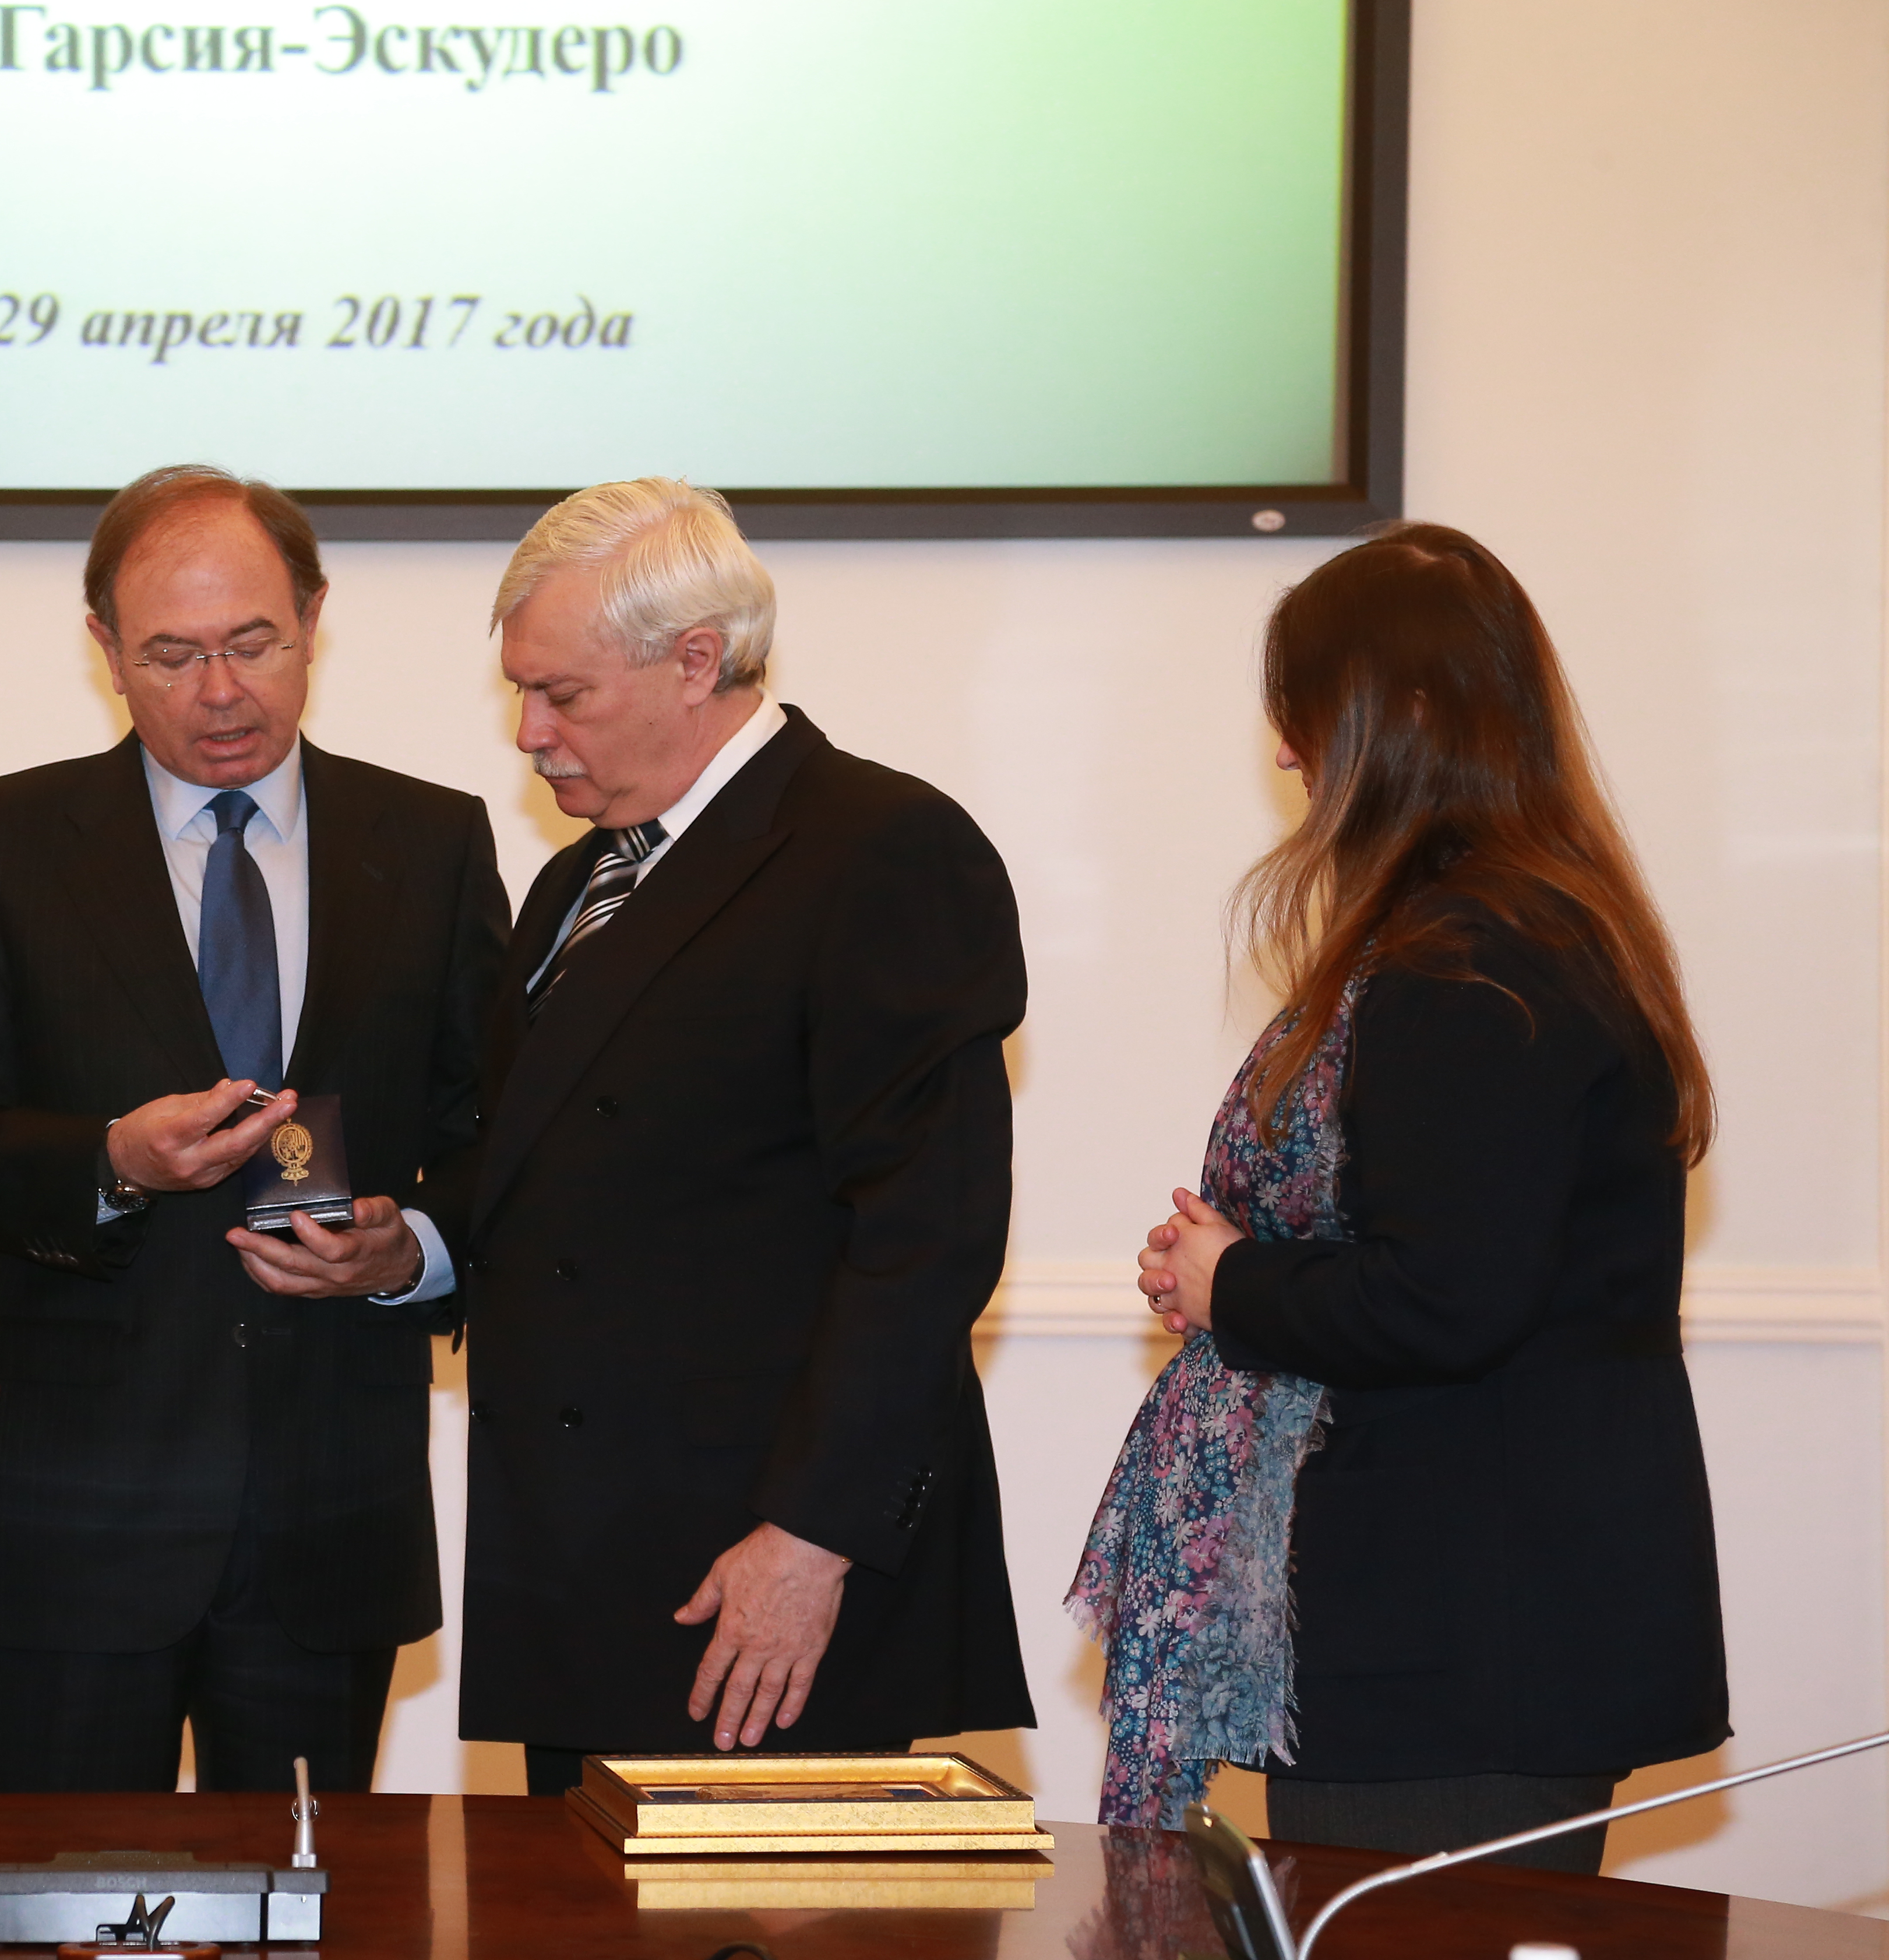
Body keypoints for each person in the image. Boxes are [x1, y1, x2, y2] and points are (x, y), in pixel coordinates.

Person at [1068, 522, 1729, 1870]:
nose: (1286, 754)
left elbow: (1445, 1298)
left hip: (1460, 1655)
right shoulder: (1520, 925)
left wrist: (1232, 1281)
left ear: (1404, 716)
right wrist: (1234, 1264)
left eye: (1307, 712)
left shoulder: (1469, 962)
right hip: (1480, 1639)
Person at [0, 465, 509, 1793]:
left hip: (328, 1520)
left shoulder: (432, 843)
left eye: (254, 644)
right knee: (38, 1896)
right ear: (105, 648)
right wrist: (109, 1163)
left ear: (315, 620)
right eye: (172, 655)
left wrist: (411, 1252)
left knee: (314, 1897)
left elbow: (497, 1138)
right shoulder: (3, 846)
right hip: (68, 1524)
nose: (222, 691)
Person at [463, 478, 1034, 1795]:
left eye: (563, 695)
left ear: (695, 662)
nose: (532, 735)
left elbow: (925, 1237)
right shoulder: (579, 879)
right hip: (585, 1570)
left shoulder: (881, 848)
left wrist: (813, 1537)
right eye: (521, 694)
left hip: (763, 1584)